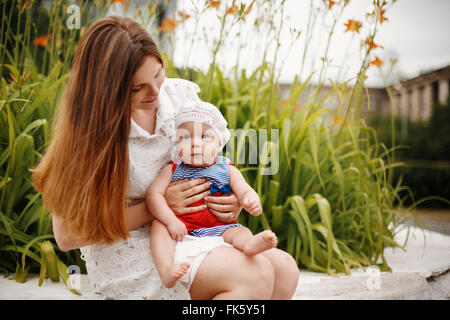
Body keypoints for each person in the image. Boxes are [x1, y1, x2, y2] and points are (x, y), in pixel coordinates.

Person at [31, 15, 299, 300]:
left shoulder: (180, 96)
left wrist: (227, 198)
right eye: (137, 88)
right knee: (254, 276)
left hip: (194, 233)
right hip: (132, 248)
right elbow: (67, 236)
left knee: (284, 269)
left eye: (158, 75)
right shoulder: (86, 133)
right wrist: (158, 207)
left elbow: (210, 159)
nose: (156, 92)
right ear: (106, 91)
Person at [147, 100, 278, 288]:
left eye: (204, 137)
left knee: (240, 231)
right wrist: (170, 220)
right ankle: (166, 268)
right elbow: (154, 195)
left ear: (219, 144)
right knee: (158, 226)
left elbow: (245, 190)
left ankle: (250, 245)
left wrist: (250, 201)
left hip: (220, 226)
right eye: (185, 137)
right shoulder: (173, 169)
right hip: (182, 226)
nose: (195, 144)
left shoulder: (227, 169)